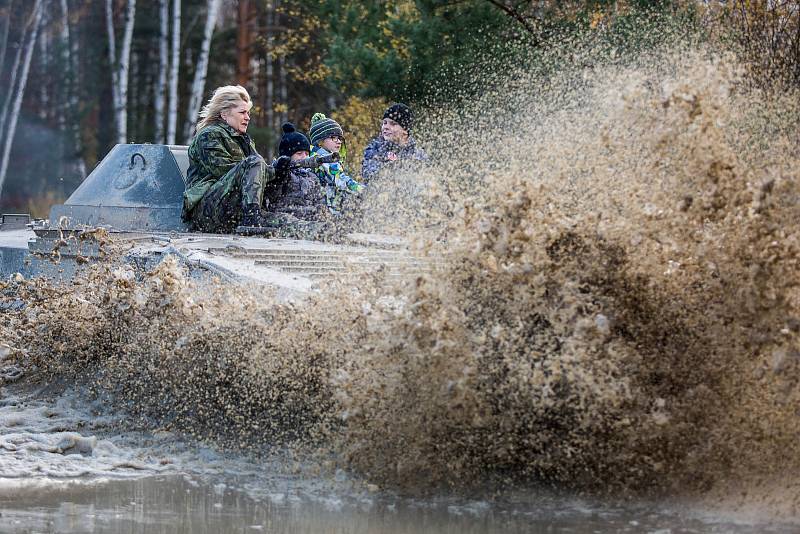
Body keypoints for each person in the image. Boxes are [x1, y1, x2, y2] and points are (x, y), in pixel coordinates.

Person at [181, 85, 289, 233]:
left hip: (237, 210)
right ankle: (251, 218)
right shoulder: (208, 135)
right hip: (207, 213)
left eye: (248, 113)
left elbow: (254, 176)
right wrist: (268, 170)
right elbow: (223, 170)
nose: (247, 117)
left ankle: (323, 229)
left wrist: (277, 172)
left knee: (289, 222)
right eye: (242, 112)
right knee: (254, 161)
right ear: (224, 114)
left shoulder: (243, 139)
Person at [264, 122, 326, 223]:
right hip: (285, 217)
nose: (304, 157)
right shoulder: (281, 173)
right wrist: (281, 171)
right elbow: (272, 193)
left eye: (306, 153)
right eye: (299, 153)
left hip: (309, 217)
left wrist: (322, 213)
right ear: (287, 155)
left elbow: (319, 200)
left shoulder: (311, 177)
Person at [308, 113, 363, 215]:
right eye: (333, 137)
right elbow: (341, 180)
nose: (339, 141)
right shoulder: (323, 159)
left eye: (340, 138)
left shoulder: (316, 156)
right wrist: (363, 190)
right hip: (326, 211)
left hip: (325, 207)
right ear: (320, 141)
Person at [361, 103, 427, 183]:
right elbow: (369, 174)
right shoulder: (375, 148)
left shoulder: (418, 155)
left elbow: (421, 180)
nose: (386, 127)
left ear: (405, 131)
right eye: (384, 123)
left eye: (393, 124)